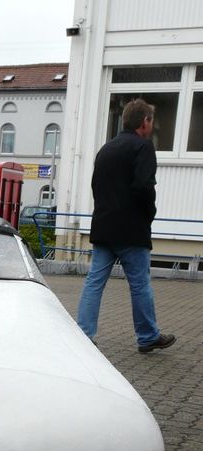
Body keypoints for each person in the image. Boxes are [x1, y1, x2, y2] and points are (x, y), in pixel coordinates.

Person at [77, 98, 175, 353]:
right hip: (132, 229)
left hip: (104, 226)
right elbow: (144, 186)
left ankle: (84, 335)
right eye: (151, 121)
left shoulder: (105, 149)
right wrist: (149, 213)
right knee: (140, 284)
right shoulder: (143, 147)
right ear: (145, 121)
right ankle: (147, 336)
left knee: (94, 282)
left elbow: (96, 186)